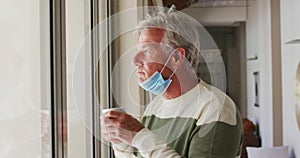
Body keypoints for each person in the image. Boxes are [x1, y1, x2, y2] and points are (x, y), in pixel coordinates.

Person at [101, 10, 243, 158]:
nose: (135, 60)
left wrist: (140, 137)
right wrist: (121, 142)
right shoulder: (155, 107)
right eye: (138, 51)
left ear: (176, 58)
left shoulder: (215, 108)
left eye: (147, 51)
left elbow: (146, 144)